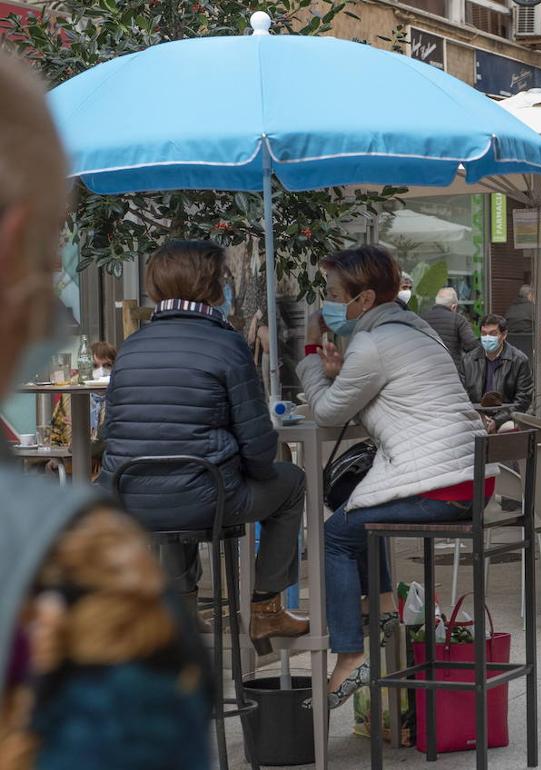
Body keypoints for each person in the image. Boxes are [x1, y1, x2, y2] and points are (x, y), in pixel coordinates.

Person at [0, 52, 212, 770]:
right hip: (201, 494)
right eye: (52, 250)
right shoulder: (76, 570)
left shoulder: (141, 345)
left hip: (138, 483)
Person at [299, 244, 493, 708]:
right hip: (470, 480)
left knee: (334, 536)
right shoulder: (419, 332)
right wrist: (340, 372)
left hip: (440, 486)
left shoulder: (372, 343)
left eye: (333, 293)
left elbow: (326, 413)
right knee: (363, 511)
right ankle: (383, 608)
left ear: (363, 300)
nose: (328, 303)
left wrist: (309, 354)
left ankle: (349, 654)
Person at [99, 240, 310, 652]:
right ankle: (266, 608)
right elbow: (258, 445)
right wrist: (253, 471)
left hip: (128, 498)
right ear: (213, 285)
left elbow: (113, 433)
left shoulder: (129, 349)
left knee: (174, 492)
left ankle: (182, 605)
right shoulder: (226, 344)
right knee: (292, 482)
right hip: (207, 498)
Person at [461, 314, 534, 427]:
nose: (487, 337)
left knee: (508, 428)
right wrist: (479, 417)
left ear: (504, 335)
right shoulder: (468, 360)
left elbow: (523, 399)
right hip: (476, 417)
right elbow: (462, 394)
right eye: (484, 334)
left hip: (506, 418)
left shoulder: (518, 360)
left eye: (493, 334)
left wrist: (497, 421)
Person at [419, 286, 479, 376]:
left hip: (426, 372)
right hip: (451, 372)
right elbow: (471, 346)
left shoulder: (421, 318)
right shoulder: (458, 320)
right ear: (454, 306)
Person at [89, 340, 116, 432]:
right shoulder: (74, 399)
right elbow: (56, 437)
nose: (101, 372)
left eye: (107, 365)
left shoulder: (120, 400)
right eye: (95, 366)